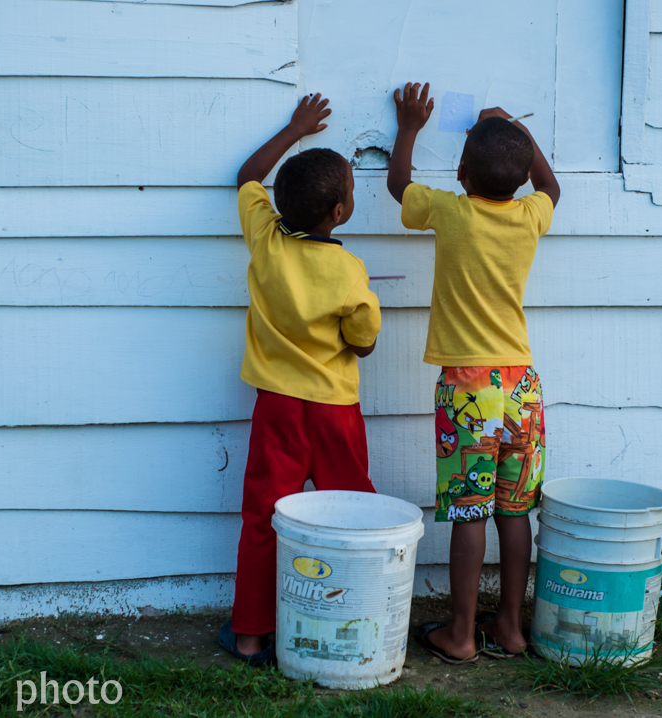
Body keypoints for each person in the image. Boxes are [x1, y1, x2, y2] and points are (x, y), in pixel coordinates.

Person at [387, 82, 560, 664]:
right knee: (514, 508)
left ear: (461, 172)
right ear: (520, 178)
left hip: (470, 387)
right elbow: (551, 187)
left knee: (469, 508)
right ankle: (509, 627)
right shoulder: (530, 216)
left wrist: (409, 127)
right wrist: (515, 127)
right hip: (522, 384)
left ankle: (461, 635)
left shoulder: (452, 211)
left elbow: (399, 186)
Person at [219, 93, 382, 665]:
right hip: (335, 412)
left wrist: (294, 130)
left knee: (264, 517)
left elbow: (248, 177)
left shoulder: (264, 238)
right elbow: (363, 342)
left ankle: (249, 635)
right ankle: (353, 618)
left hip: (278, 410)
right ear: (339, 212)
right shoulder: (348, 271)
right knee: (352, 512)